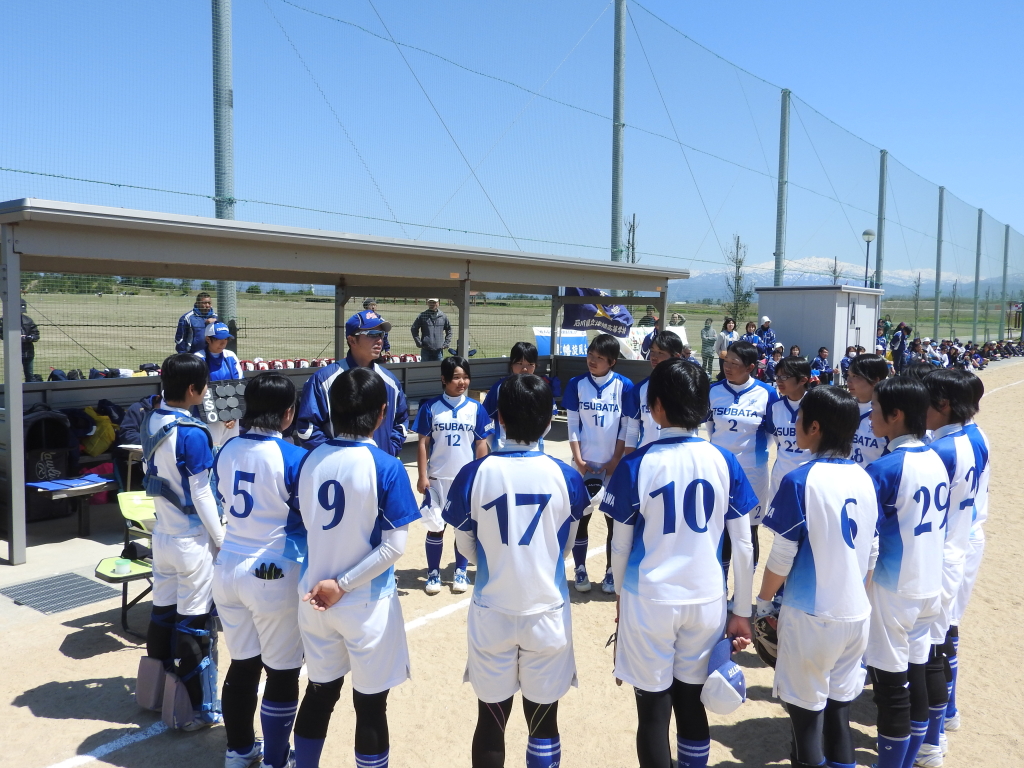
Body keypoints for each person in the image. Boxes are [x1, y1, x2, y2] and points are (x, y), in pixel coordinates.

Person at [602, 359, 756, 768]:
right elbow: (743, 545)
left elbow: (620, 545)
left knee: (653, 713)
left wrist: (620, 597)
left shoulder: (637, 464)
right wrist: (741, 611)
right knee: (692, 704)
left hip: (649, 598)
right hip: (706, 599)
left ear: (655, 407)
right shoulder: (725, 461)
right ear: (705, 406)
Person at [443, 374, 588, 768]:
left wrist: (496, 560)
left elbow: (465, 546)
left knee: (491, 722)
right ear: (549, 422)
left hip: (492, 610)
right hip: (547, 612)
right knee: (543, 722)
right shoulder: (566, 476)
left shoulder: (475, 473)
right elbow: (567, 542)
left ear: (500, 418)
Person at [293, 367, 421, 768]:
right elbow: (395, 547)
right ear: (382, 413)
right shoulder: (386, 465)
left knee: (319, 695)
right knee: (370, 706)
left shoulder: (309, 459)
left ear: (330, 410)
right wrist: (344, 584)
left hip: (313, 598)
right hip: (365, 604)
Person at [757, 386, 878, 768]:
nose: (794, 426)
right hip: (856, 615)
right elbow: (872, 552)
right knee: (839, 716)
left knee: (807, 722)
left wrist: (762, 603)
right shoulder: (865, 478)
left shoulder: (800, 479)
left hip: (812, 618)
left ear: (814, 426)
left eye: (799, 419)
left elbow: (782, 556)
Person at [211, 373, 307, 768]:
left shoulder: (227, 448)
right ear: (288, 414)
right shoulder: (293, 456)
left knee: (243, 663)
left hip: (228, 564)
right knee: (282, 672)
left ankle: (238, 750)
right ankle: (276, 758)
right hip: (272, 569)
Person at [864, 377, 948, 768]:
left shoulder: (885, 467)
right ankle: (916, 756)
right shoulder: (935, 457)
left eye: (875, 408)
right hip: (929, 583)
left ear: (895, 415)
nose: (870, 416)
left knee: (891, 689)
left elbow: (865, 540)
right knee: (916, 676)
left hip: (894, 588)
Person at [141, 353, 225, 730]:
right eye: (203, 385)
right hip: (192, 543)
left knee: (162, 615)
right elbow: (202, 493)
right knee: (194, 625)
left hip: (162, 536)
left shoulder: (151, 419)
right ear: (193, 389)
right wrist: (221, 540)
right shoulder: (191, 433)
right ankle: (197, 710)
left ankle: (153, 694)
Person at [918, 370, 983, 766]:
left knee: (927, 654)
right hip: (956, 550)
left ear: (942, 405)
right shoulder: (973, 438)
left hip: (936, 558)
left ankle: (931, 742)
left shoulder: (939, 451)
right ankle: (940, 729)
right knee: (939, 644)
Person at [413, 356, 493, 595]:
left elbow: (481, 444)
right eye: (456, 377)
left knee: (462, 528)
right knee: (434, 526)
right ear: (444, 379)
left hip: (464, 481)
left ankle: (460, 570)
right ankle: (433, 573)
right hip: (437, 479)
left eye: (466, 377)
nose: (462, 382)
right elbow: (423, 443)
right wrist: (422, 475)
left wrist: (478, 474)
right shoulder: (430, 407)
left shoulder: (476, 408)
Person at [564, 333, 633, 594]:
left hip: (614, 466)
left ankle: (611, 571)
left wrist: (615, 460)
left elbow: (626, 427)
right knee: (581, 518)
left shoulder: (624, 385)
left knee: (613, 522)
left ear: (612, 361)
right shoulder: (576, 384)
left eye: (600, 357)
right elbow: (572, 424)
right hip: (583, 463)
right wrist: (579, 460)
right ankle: (580, 569)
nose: (592, 360)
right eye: (590, 355)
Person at [706, 340, 779, 574]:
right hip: (719, 469)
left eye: (734, 363)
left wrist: (753, 455)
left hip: (752, 472)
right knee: (720, 527)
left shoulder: (766, 393)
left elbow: (772, 433)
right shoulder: (714, 390)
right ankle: (721, 585)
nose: (727, 367)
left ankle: (744, 589)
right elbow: (710, 427)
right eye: (726, 361)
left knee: (749, 530)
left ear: (750, 367)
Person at [295, 309, 408, 455]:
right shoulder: (323, 380)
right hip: (338, 466)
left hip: (379, 464)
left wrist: (389, 450)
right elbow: (307, 428)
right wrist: (334, 457)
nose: (380, 340)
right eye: (372, 334)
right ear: (352, 340)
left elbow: (401, 421)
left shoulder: (391, 382)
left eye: (381, 334)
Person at [945, 374, 989, 735]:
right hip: (964, 535)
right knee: (945, 625)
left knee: (945, 628)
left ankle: (947, 710)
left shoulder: (963, 441)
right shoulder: (973, 435)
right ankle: (946, 709)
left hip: (961, 538)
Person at [483, 342, 559, 451]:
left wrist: (535, 441)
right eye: (519, 363)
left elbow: (548, 422)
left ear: (536, 365)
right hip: (504, 449)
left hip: (534, 449)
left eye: (530, 364)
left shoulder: (541, 388)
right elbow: (485, 419)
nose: (525, 369)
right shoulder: (500, 387)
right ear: (511, 364)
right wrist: (495, 445)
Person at [623, 331, 683, 454]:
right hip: (647, 457)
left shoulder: (686, 389)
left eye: (660, 352)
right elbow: (632, 430)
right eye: (652, 351)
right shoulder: (640, 389)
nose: (654, 357)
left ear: (676, 357)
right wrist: (630, 460)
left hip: (677, 457)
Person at [766, 356, 812, 502]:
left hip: (809, 477)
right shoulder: (775, 407)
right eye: (777, 376)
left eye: (785, 377)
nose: (779, 381)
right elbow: (777, 441)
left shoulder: (819, 405)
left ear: (803, 380)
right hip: (781, 475)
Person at [194, 321, 241, 447]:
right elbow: (199, 390)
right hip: (208, 416)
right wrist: (221, 414)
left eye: (226, 339)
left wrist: (233, 415)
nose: (223, 342)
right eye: (219, 339)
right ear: (208, 339)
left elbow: (238, 385)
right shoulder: (198, 358)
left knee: (231, 451)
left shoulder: (230, 356)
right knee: (211, 452)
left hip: (231, 416)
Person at [845, 353, 890, 468]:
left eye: (855, 376)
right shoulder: (844, 408)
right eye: (848, 375)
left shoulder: (887, 414)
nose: (849, 381)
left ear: (875, 380)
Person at [0, 299, 40, 381]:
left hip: (27, 353)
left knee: (29, 375)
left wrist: (27, 338)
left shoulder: (28, 320)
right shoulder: (4, 320)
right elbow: (2, 335)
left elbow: (36, 335)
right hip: (13, 353)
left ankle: (30, 388)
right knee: (13, 376)